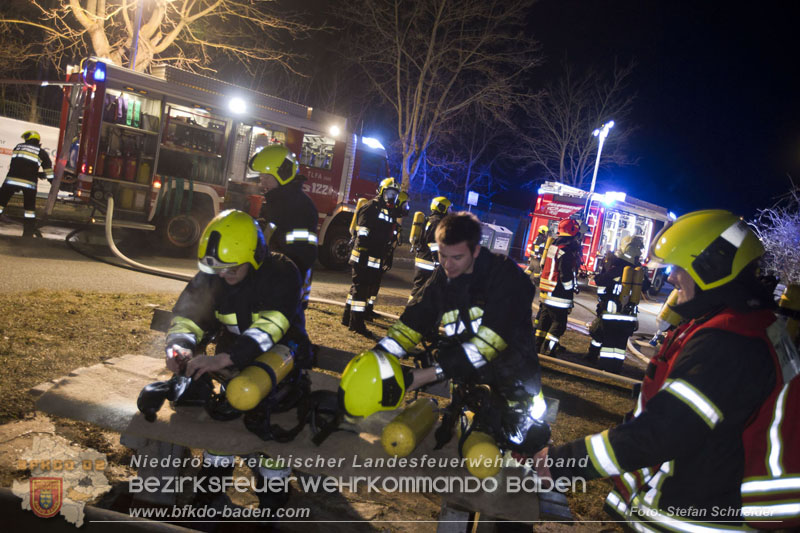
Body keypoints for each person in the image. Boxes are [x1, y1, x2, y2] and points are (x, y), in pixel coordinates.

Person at [530, 210, 784, 532]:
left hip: (694, 518)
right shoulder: (744, 325)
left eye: (678, 268)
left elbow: (661, 432)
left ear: (712, 268)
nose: (672, 278)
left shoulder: (728, 342)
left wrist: (561, 462)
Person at [340, 212, 550, 457]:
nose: (448, 265)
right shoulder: (446, 273)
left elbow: (490, 343)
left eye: (457, 257)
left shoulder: (507, 279)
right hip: (468, 373)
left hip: (516, 383)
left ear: (476, 251)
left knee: (521, 443)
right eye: (443, 256)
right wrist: (381, 357)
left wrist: (424, 375)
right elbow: (415, 319)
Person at [164, 209, 310, 513]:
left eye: (231, 269)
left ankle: (272, 498)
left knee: (272, 431)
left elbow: (271, 326)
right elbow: (188, 316)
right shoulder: (215, 274)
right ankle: (210, 492)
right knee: (222, 423)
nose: (223, 276)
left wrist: (226, 358)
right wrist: (179, 347)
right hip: (232, 365)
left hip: (282, 359)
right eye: (217, 269)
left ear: (255, 257)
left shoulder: (282, 273)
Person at [249, 144, 319, 328]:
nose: (262, 182)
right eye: (261, 177)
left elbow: (302, 256)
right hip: (271, 289)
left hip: (285, 293)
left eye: (267, 177)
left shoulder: (299, 207)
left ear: (283, 174)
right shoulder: (277, 201)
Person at [342, 177, 401, 337]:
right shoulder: (370, 207)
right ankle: (356, 324)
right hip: (363, 255)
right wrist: (362, 252)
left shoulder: (388, 211)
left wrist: (387, 253)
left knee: (358, 288)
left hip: (375, 256)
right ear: (381, 191)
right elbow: (362, 232)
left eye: (394, 194)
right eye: (389, 193)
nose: (391, 197)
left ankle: (347, 317)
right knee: (360, 290)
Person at [587, 235, 645, 373]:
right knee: (620, 343)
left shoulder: (617, 267)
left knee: (609, 339)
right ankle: (616, 367)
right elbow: (646, 286)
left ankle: (605, 366)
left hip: (612, 313)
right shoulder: (636, 270)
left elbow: (601, 281)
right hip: (628, 314)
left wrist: (604, 269)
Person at [534, 218, 582, 355]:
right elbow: (565, 274)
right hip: (559, 293)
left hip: (547, 291)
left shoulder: (554, 246)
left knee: (544, 322)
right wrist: (571, 288)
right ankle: (549, 351)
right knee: (558, 324)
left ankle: (536, 347)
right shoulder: (565, 251)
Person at [0, 130, 53, 238]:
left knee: (1, 202)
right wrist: (54, 184)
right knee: (29, 210)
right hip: (29, 184)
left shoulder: (18, 147)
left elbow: (21, 165)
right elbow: (48, 171)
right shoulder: (42, 152)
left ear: (28, 139)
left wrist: (36, 173)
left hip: (11, 181)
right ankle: (28, 235)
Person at [409, 195, 451, 300]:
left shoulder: (432, 220)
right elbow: (434, 244)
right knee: (419, 289)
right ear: (441, 208)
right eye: (448, 208)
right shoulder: (436, 222)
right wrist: (437, 261)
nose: (450, 211)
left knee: (423, 289)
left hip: (424, 259)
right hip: (427, 262)